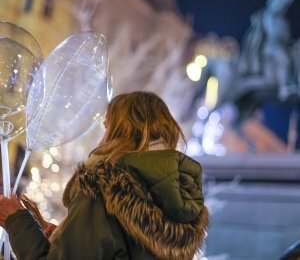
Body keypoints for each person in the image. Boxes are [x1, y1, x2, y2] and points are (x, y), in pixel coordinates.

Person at [0, 91, 209, 260]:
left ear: (123, 130)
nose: (101, 142)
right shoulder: (177, 201)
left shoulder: (102, 186)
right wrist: (67, 236)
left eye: (107, 128)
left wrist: (16, 220)